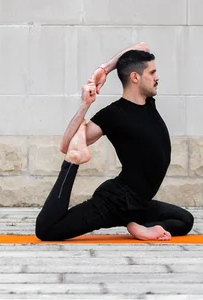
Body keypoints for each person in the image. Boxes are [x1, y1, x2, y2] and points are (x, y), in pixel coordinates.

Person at [35, 42, 194, 241]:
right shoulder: (114, 114)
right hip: (117, 202)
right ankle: (73, 163)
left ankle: (139, 227)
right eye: (152, 73)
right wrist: (85, 105)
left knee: (185, 220)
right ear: (135, 77)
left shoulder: (148, 103)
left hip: (140, 203)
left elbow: (142, 47)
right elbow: (65, 145)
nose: (157, 77)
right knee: (47, 231)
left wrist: (104, 69)